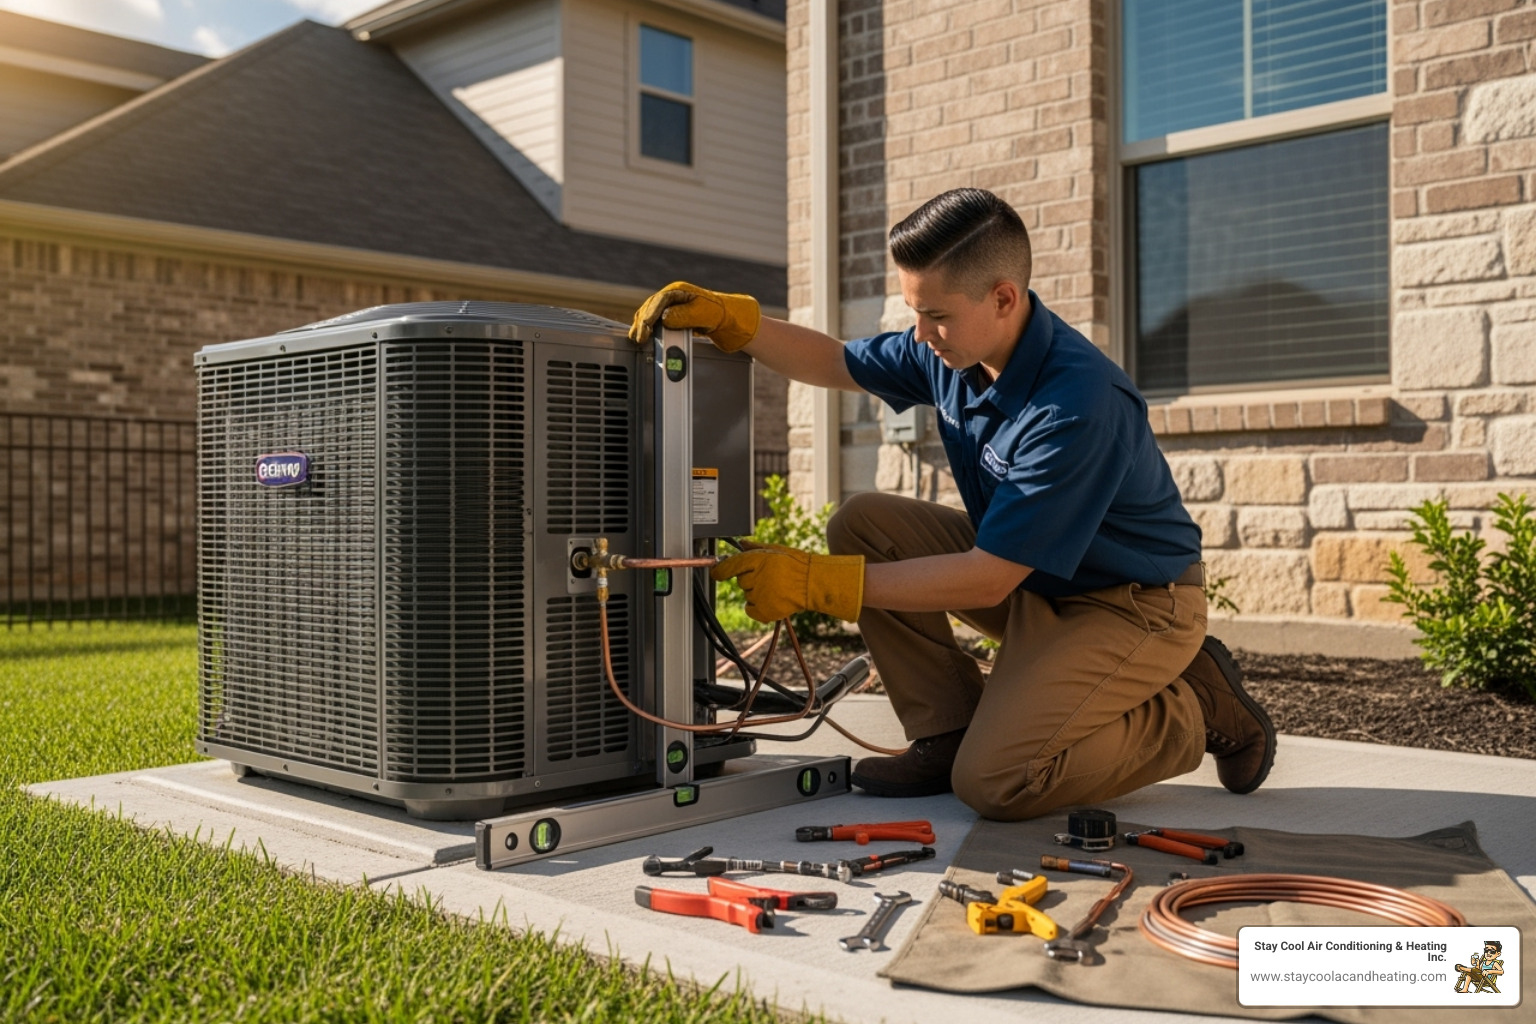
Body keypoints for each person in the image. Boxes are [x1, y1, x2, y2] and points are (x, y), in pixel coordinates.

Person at [628, 187, 1276, 821]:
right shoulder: (949, 348)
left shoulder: (1077, 403)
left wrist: (814, 584)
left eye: (935, 314)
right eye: (915, 311)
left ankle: (1192, 708)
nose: (921, 332)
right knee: (864, 524)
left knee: (999, 781)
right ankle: (947, 730)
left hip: (1131, 604)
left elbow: (989, 573)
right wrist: (735, 321)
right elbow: (835, 361)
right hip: (1039, 581)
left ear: (1003, 298)